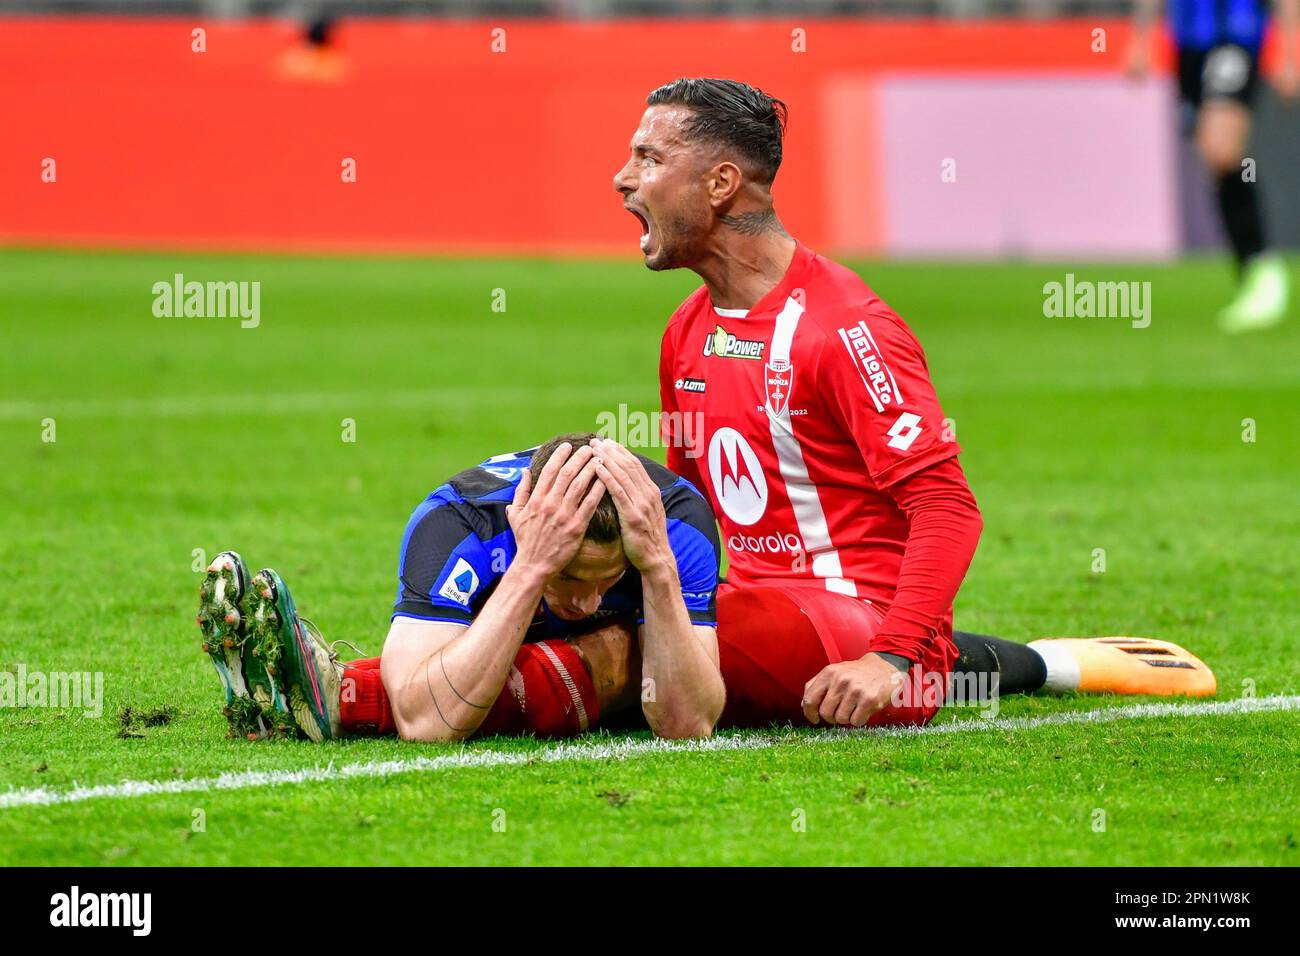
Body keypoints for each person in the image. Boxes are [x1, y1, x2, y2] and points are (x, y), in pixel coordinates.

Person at [1129, 0, 1298, 331]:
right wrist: (1141, 38)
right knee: (1213, 158)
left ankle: (1264, 268)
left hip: (1237, 37)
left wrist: (1290, 50)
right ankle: (1252, 270)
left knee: (1221, 148)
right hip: (1189, 46)